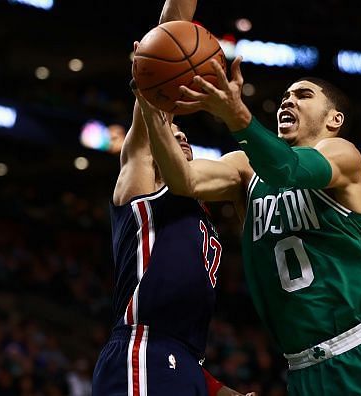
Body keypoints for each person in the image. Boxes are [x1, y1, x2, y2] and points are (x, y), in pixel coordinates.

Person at [136, 26, 361, 395]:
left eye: (303, 95)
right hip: (302, 370)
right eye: (284, 96)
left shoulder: (342, 154)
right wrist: (150, 101)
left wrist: (236, 115)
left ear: (333, 120)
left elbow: (288, 169)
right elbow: (182, 180)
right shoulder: (247, 168)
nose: (287, 101)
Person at [91, 2, 253, 395]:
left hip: (185, 358)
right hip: (142, 346)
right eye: (173, 132)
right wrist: (150, 77)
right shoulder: (141, 180)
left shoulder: (199, 207)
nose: (181, 136)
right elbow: (166, 41)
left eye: (188, 139)